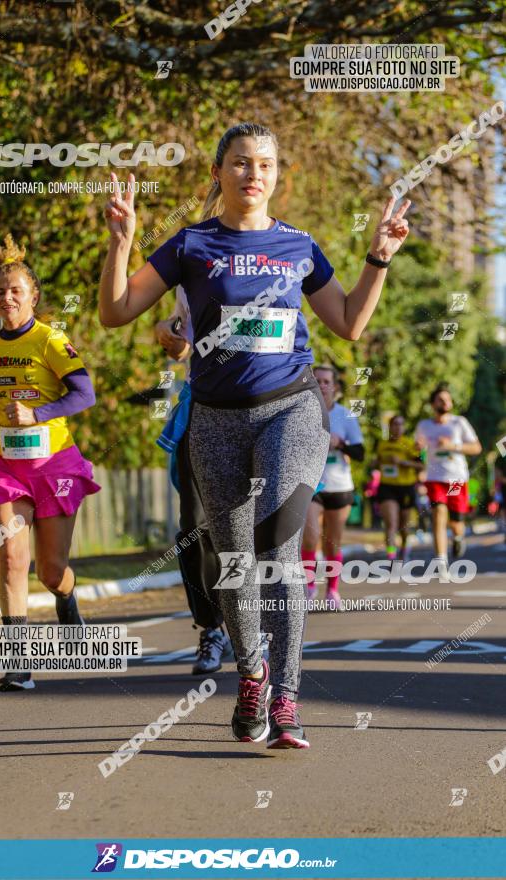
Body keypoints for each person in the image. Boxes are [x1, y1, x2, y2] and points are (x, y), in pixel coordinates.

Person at [99, 121, 410, 748]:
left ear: (276, 175)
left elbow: (348, 323)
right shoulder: (190, 245)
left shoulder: (299, 246)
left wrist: (377, 259)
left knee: (277, 548)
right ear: (219, 173)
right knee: (235, 563)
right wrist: (122, 242)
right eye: (241, 163)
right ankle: (252, 676)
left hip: (289, 408)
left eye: (264, 164)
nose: (253, 174)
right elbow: (115, 312)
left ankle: (288, 697)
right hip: (214, 419)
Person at [0, 235, 100, 691]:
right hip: (4, 464)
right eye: (0, 292)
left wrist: (38, 413)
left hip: (53, 465)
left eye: (16, 291)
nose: (7, 299)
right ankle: (18, 663)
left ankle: (67, 602)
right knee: (10, 558)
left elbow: (85, 393)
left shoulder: (50, 339)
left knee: (51, 570)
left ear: (33, 296)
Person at [155, 286, 232, 674]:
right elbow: (181, 344)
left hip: (261, 410)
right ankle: (211, 627)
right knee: (194, 529)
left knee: (252, 528)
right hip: (201, 410)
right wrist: (166, 329)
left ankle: (252, 625)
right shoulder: (191, 274)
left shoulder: (275, 260)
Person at [301, 365, 365, 611]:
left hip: (340, 486)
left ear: (335, 387)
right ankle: (308, 587)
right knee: (311, 536)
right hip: (311, 484)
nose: (322, 385)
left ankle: (332, 590)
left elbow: (360, 453)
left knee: (332, 543)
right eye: (317, 380)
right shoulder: (302, 413)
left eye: (327, 381)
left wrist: (340, 444)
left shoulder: (345, 416)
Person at [415, 383, 481, 575]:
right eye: (440, 399)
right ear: (433, 404)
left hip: (456, 479)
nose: (445, 402)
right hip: (435, 477)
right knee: (438, 514)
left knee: (456, 522)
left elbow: (476, 448)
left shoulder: (459, 423)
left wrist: (453, 446)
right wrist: (418, 450)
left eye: (447, 399)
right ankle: (441, 562)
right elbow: (418, 452)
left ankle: (459, 537)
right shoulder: (424, 426)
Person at [376, 414, 424, 561]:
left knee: (404, 526)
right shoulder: (382, 445)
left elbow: (421, 465)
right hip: (387, 487)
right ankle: (391, 555)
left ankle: (404, 549)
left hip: (406, 487)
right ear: (389, 427)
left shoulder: (410, 444)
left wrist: (403, 463)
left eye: (401, 424)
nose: (397, 427)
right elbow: (376, 463)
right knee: (391, 523)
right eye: (395, 424)